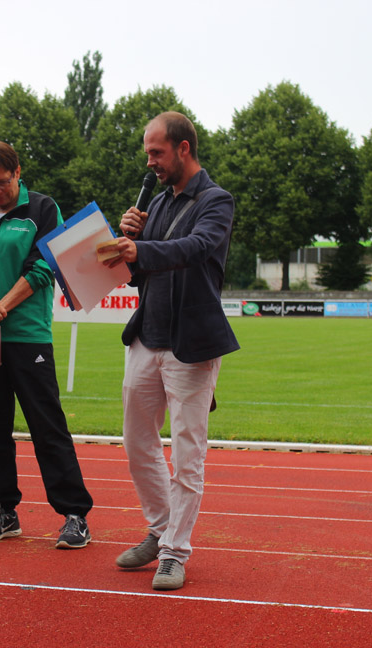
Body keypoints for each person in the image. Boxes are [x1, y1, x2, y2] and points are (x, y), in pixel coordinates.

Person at [99, 112, 239, 589]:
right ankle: (160, 531)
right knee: (137, 442)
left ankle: (175, 552)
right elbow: (141, 273)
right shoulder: (155, 204)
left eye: (157, 152)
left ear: (183, 148)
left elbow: (196, 248)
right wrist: (128, 245)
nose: (151, 162)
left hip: (191, 344)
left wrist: (144, 251)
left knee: (187, 450)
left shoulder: (217, 201)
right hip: (146, 336)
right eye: (147, 154)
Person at [0, 140, 94, 549]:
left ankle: (74, 515)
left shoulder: (43, 210)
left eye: (1, 182)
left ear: (18, 172)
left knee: (47, 427)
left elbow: (42, 268)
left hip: (27, 334)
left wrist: (2, 307)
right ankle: (4, 511)